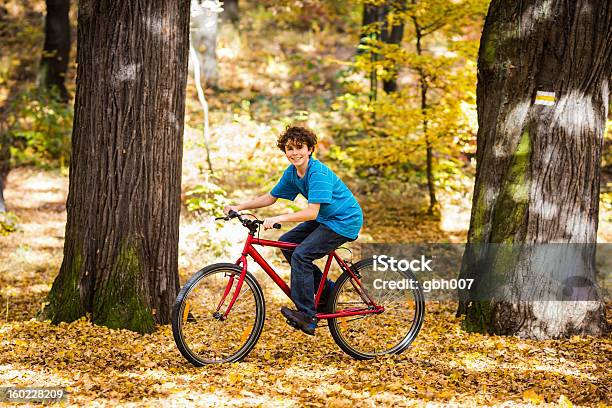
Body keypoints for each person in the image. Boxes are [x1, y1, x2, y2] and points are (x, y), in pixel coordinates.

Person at [224, 125, 363, 335]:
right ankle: (328, 293)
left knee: (302, 255)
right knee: (288, 244)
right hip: (327, 218)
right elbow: (271, 197)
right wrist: (239, 207)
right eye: (290, 148)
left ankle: (307, 316)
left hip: (344, 221)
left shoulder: (318, 173)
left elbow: (312, 213)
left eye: (300, 147)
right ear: (285, 151)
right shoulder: (292, 173)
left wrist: (280, 217)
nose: (295, 152)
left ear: (310, 149)